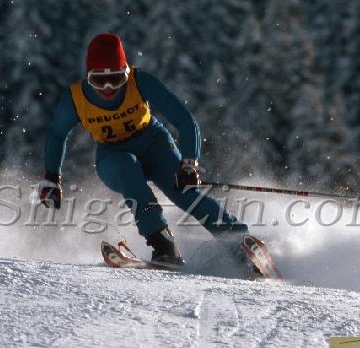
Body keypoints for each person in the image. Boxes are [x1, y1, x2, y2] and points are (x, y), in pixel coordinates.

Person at [39, 33, 247, 265]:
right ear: (88, 77)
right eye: (99, 80)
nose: (108, 88)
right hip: (112, 155)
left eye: (116, 79)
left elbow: (184, 120)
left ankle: (238, 241)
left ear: (126, 73)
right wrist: (51, 177)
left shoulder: (139, 82)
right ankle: (163, 246)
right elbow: (57, 134)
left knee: (184, 193)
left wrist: (189, 164)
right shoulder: (76, 99)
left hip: (154, 145)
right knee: (127, 170)